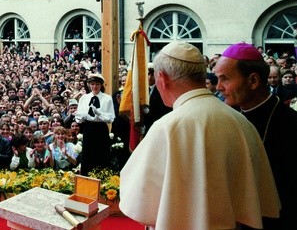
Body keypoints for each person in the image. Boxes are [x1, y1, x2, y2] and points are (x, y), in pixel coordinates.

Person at [120, 41, 280, 230]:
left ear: (162, 78)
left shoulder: (167, 127)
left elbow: (138, 205)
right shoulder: (241, 122)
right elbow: (261, 200)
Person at [214, 42, 297, 229]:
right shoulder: (227, 120)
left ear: (253, 81)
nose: (218, 87)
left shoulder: (290, 125)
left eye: (225, 79)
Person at [74, 73, 115, 175]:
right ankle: (86, 177)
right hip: (88, 127)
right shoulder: (84, 98)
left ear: (101, 85)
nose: (94, 87)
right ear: (89, 85)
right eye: (92, 84)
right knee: (88, 154)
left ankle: (103, 177)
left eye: (97, 84)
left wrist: (100, 114)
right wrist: (82, 116)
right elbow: (78, 118)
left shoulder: (107, 98)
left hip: (100, 127)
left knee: (102, 153)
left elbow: (111, 117)